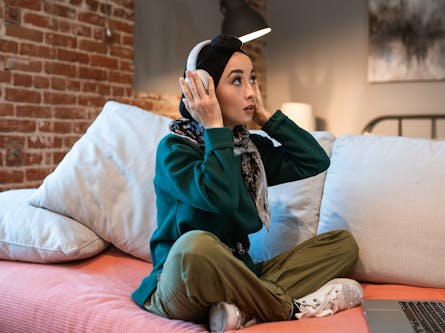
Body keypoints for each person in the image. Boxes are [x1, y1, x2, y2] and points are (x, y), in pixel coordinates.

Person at [131, 34, 362, 332]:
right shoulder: (175, 150)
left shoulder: (249, 150)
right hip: (181, 280)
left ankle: (242, 309)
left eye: (252, 80)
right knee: (195, 245)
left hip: (240, 274)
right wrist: (214, 127)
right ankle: (289, 308)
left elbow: (314, 160)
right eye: (237, 81)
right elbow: (221, 198)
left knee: (342, 244)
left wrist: (266, 118)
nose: (251, 91)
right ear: (205, 89)